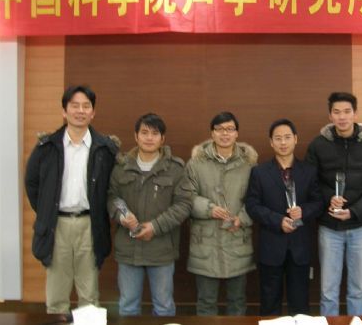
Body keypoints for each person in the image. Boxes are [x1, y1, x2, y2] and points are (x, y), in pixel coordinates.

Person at [24, 85, 118, 314]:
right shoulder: (46, 147)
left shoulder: (105, 148)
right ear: (64, 111)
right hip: (57, 225)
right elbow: (32, 183)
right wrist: (47, 210)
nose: (80, 111)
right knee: (57, 295)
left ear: (93, 112)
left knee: (89, 295)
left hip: (90, 224)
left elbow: (114, 188)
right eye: (74, 106)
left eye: (86, 106)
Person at [305, 92, 362, 316]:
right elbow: (310, 182)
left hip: (361, 226)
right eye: (337, 112)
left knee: (358, 290)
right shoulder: (318, 145)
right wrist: (328, 199)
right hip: (329, 226)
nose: (342, 117)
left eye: (347, 112)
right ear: (330, 116)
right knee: (328, 290)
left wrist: (354, 211)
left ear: (355, 114)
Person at [107, 113, 193, 316]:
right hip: (128, 249)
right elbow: (111, 197)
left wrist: (155, 226)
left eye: (155, 133)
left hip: (161, 249)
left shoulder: (175, 169)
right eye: (144, 132)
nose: (149, 138)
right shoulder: (121, 168)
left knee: (164, 307)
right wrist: (122, 216)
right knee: (128, 307)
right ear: (135, 136)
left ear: (162, 139)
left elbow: (184, 204)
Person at [245, 118, 324, 316]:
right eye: (278, 138)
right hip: (271, 245)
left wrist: (303, 211)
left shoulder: (309, 171)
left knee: (300, 305)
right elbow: (252, 206)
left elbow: (318, 203)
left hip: (300, 247)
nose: (283, 142)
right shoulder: (259, 172)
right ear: (271, 142)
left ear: (295, 139)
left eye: (287, 137)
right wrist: (277, 220)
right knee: (269, 304)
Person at [185, 111, 258, 315]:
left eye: (230, 129)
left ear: (237, 133)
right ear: (212, 133)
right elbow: (186, 197)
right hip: (205, 244)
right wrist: (209, 209)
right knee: (206, 302)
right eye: (219, 129)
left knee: (238, 301)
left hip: (237, 242)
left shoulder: (249, 164)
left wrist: (241, 218)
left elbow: (258, 200)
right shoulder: (196, 163)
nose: (225, 134)